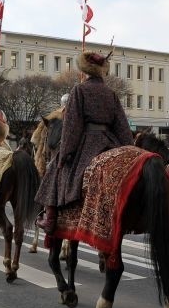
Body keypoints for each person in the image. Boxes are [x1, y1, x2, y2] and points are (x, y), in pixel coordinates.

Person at [36, 51, 133, 233]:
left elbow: (72, 127)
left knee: (55, 167)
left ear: (84, 69)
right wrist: (130, 150)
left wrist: (64, 154)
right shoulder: (111, 93)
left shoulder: (79, 90)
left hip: (87, 143)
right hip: (110, 142)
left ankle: (50, 218)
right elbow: (122, 126)